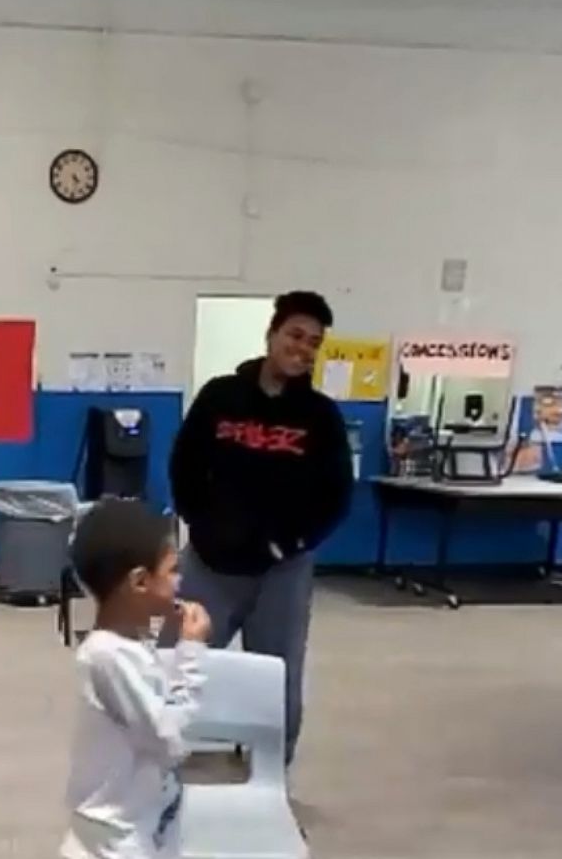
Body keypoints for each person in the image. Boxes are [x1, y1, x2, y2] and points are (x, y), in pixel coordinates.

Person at [167, 290, 352, 767]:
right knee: (175, 665)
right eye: (295, 335)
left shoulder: (321, 418)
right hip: (209, 565)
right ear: (272, 335)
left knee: (278, 680)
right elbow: (184, 466)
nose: (303, 348)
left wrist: (287, 544)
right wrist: (201, 525)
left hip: (282, 573)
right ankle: (157, 768)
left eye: (314, 342)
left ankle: (269, 779)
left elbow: (336, 497)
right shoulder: (219, 397)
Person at [61, 498, 212, 859]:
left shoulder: (129, 645)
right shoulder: (108, 657)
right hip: (115, 842)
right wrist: (191, 653)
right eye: (172, 570)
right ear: (140, 582)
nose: (180, 581)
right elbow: (169, 742)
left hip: (142, 826)